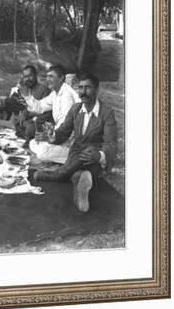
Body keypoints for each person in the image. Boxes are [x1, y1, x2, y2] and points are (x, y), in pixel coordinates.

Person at [29, 73, 117, 212]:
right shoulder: (76, 109)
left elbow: (111, 144)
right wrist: (52, 135)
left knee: (87, 153)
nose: (83, 92)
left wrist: (99, 155)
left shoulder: (106, 112)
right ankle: (78, 179)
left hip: (93, 157)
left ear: (96, 90)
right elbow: (63, 132)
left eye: (87, 88)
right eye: (80, 88)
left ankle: (55, 175)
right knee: (79, 171)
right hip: (76, 154)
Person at [19, 64, 80, 164]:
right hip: (59, 137)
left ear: (61, 78)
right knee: (33, 142)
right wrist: (27, 96)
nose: (47, 79)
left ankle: (73, 156)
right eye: (47, 76)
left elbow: (66, 129)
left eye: (51, 76)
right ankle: (58, 156)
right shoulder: (55, 93)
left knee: (42, 154)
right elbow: (39, 107)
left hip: (69, 141)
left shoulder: (67, 96)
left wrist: (47, 137)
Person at [8, 65, 52, 139]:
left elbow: (45, 112)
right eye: (25, 77)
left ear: (35, 75)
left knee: (29, 128)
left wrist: (27, 115)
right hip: (26, 118)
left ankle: (26, 135)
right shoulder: (26, 88)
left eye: (30, 76)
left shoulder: (44, 90)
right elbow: (22, 104)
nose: (28, 79)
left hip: (39, 121)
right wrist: (22, 113)